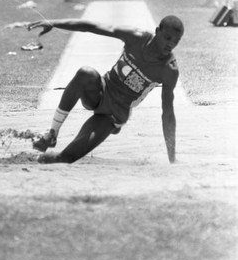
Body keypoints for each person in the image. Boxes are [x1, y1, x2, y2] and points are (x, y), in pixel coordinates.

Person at [28, 15, 184, 164]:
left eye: (176, 41)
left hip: (114, 113)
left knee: (65, 158)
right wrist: (54, 23)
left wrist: (172, 158)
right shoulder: (136, 37)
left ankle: (109, 128)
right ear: (157, 31)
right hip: (100, 92)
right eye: (167, 38)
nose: (171, 44)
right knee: (85, 73)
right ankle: (52, 134)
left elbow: (168, 113)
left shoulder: (169, 69)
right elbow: (91, 26)